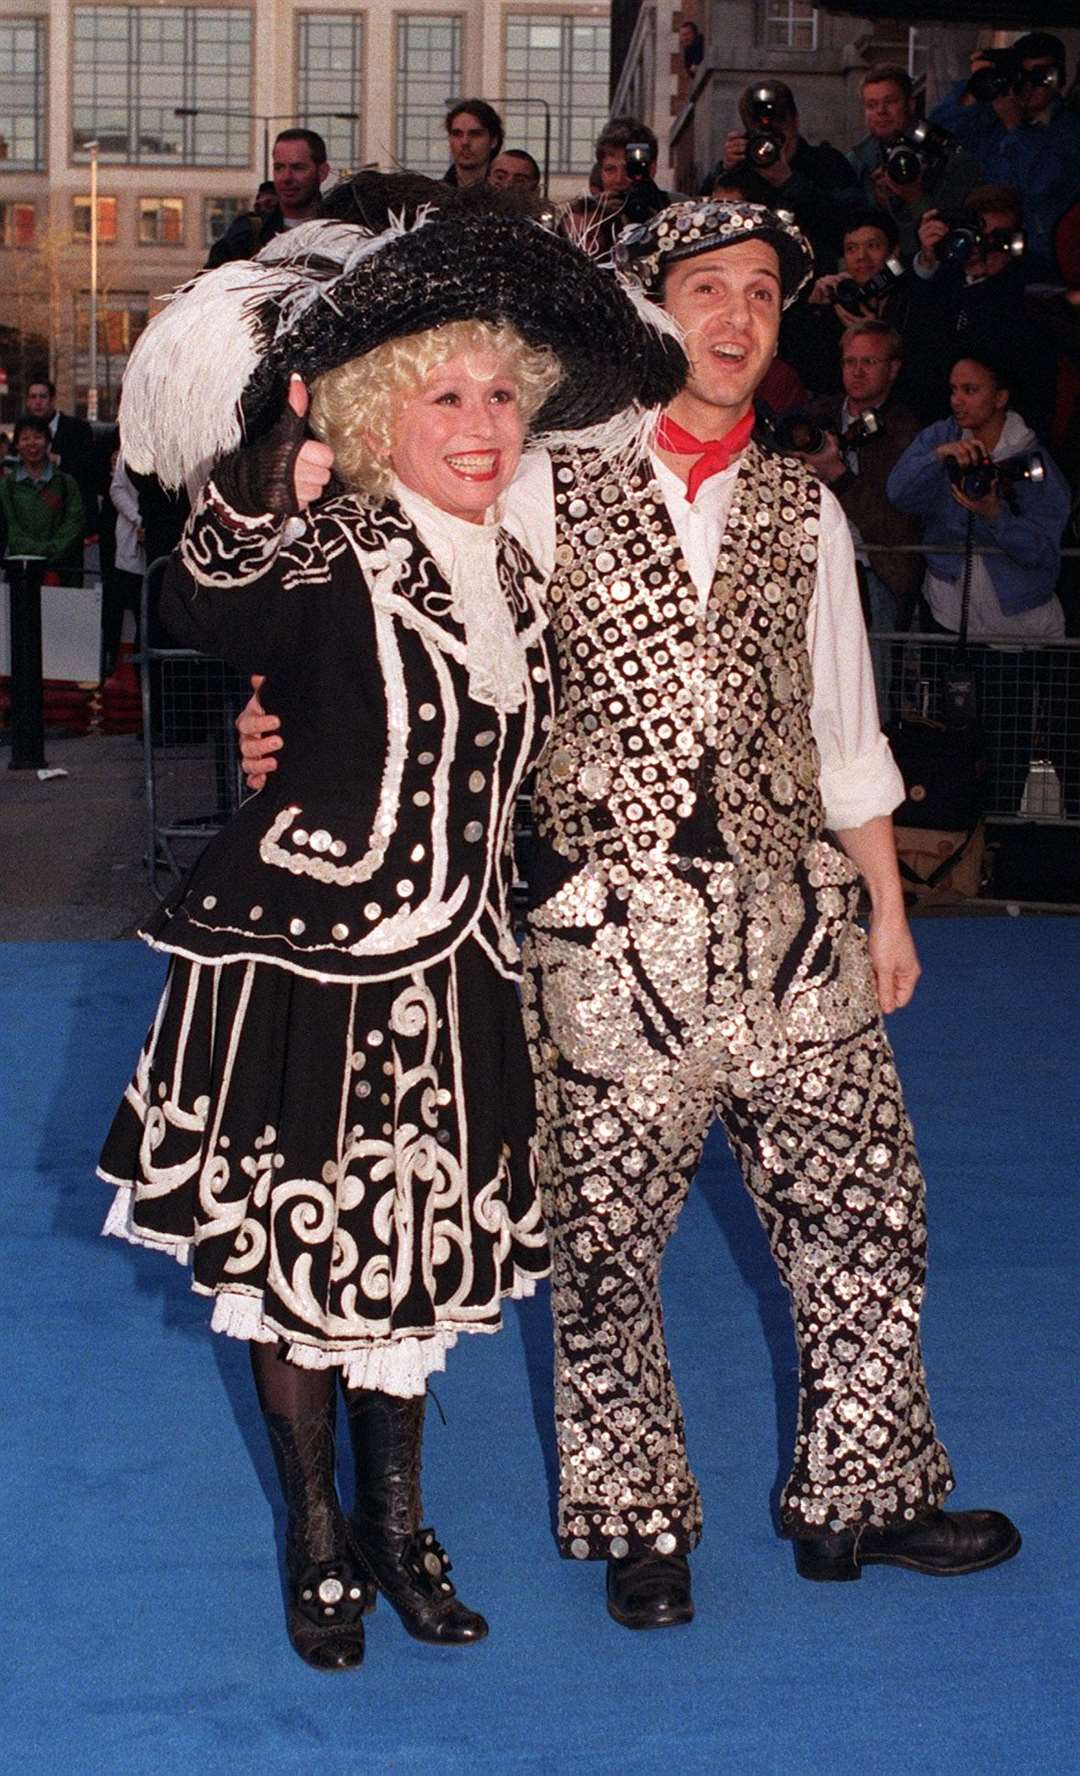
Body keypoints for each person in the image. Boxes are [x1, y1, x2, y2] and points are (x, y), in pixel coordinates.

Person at [241, 201, 1021, 1629]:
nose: (736, 317)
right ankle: (640, 1519)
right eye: (706, 289)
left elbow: (848, 733)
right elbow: (404, 619)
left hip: (800, 925)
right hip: (604, 937)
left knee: (867, 1208)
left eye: (765, 296)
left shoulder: (805, 508)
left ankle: (867, 1494)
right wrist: (286, 721)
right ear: (652, 315)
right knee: (603, 1244)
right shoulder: (540, 479)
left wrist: (892, 912)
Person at [98, 202, 682, 1670]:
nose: (481, 426)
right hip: (312, 966)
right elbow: (209, 599)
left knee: (413, 1269)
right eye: (444, 396)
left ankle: (401, 1525)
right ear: (371, 413)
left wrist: (569, 881)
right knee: (305, 1263)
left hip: (461, 968)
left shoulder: (520, 580)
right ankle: (317, 1539)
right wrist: (255, 481)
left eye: (501, 396)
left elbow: (497, 776)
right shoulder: (340, 541)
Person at [887, 349, 1068, 641]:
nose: (956, 400)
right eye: (953, 390)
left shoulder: (1033, 459)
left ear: (1000, 397)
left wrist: (996, 515)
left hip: (1018, 625)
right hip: (947, 614)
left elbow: (1043, 553)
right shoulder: (940, 436)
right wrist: (937, 458)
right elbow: (898, 493)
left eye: (970, 390)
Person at [906, 184, 1055, 434]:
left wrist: (981, 283)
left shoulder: (1034, 280)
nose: (988, 247)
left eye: (1000, 238)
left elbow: (1007, 355)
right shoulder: (946, 272)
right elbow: (918, 335)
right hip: (937, 420)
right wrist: (928, 259)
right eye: (980, 236)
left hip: (1011, 424)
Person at [931, 32, 1080, 278]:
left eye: (1043, 76)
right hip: (992, 256)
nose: (1032, 85)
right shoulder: (992, 120)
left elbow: (1042, 184)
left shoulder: (1069, 130)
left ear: (1060, 78)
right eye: (1025, 75)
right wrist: (975, 86)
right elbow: (941, 133)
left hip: (1046, 263)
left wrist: (1014, 127)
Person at [847, 63, 981, 260]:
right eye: (871, 105)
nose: (881, 111)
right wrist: (881, 205)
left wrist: (915, 198)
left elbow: (954, 233)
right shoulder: (857, 162)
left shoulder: (950, 156)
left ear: (910, 104)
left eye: (890, 101)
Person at [718, 79, 858, 261]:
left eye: (779, 132)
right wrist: (724, 172)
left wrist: (789, 182)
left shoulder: (828, 164)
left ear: (796, 121)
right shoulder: (740, 172)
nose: (772, 144)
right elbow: (705, 223)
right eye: (763, 135)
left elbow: (851, 230)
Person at [205, 130, 329, 267]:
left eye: (298, 168)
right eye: (279, 168)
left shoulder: (343, 231)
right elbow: (207, 284)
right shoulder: (247, 233)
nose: (286, 177)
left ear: (322, 172)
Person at [24, 373, 97, 581]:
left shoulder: (77, 429)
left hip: (68, 527)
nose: (38, 402)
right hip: (34, 527)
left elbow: (88, 469)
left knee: (69, 584)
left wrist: (59, 460)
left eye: (43, 396)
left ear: (52, 400)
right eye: (33, 397)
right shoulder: (24, 432)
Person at [0, 414, 85, 571]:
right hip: (21, 569)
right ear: (17, 445)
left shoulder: (66, 482)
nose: (32, 444)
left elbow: (74, 523)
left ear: (47, 442)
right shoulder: (6, 486)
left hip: (62, 571)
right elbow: (10, 528)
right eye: (25, 439)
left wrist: (53, 549)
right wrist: (33, 551)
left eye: (38, 437)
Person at [443, 99, 503, 188]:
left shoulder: (507, 195)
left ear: (494, 141)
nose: (465, 142)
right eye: (457, 134)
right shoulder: (431, 196)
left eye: (475, 134)